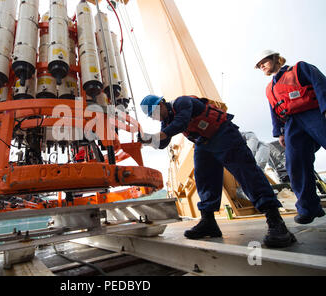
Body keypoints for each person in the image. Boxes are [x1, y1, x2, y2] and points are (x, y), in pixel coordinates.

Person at [139, 94, 296, 248]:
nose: (154, 117)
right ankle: (208, 222)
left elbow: (181, 122)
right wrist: (147, 140)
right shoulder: (166, 121)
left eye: (153, 112)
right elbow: (162, 143)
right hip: (203, 143)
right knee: (204, 179)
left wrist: (157, 135)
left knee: (247, 174)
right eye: (150, 116)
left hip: (223, 134)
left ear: (161, 104)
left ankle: (276, 222)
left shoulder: (182, 102)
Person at [255, 50, 326, 224]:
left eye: (263, 62)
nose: (261, 66)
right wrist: (279, 132)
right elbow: (274, 111)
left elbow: (320, 84)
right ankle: (309, 208)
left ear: (275, 59)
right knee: (295, 163)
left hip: (315, 113)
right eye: (259, 65)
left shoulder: (299, 69)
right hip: (292, 123)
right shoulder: (269, 89)